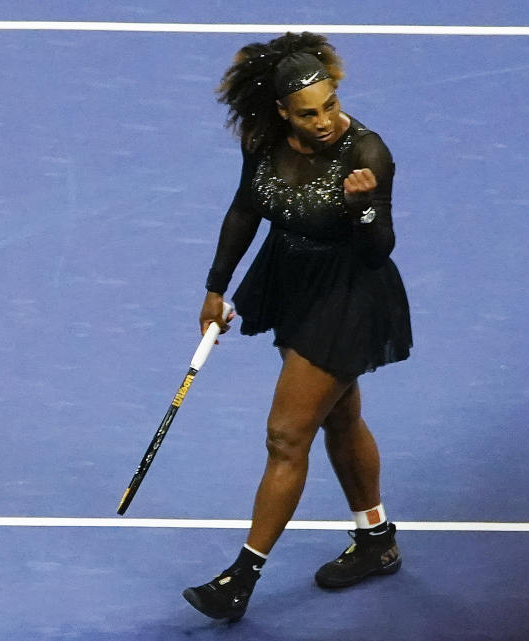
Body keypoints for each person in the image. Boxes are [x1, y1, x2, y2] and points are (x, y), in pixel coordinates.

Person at [182, 32, 413, 622]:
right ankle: (376, 540)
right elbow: (244, 208)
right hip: (293, 284)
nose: (324, 121)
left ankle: (241, 577)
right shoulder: (262, 140)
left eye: (330, 105)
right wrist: (215, 287)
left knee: (286, 436)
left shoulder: (369, 154)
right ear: (282, 112)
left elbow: (377, 250)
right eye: (308, 113)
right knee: (342, 414)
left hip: (348, 295)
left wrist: (364, 206)